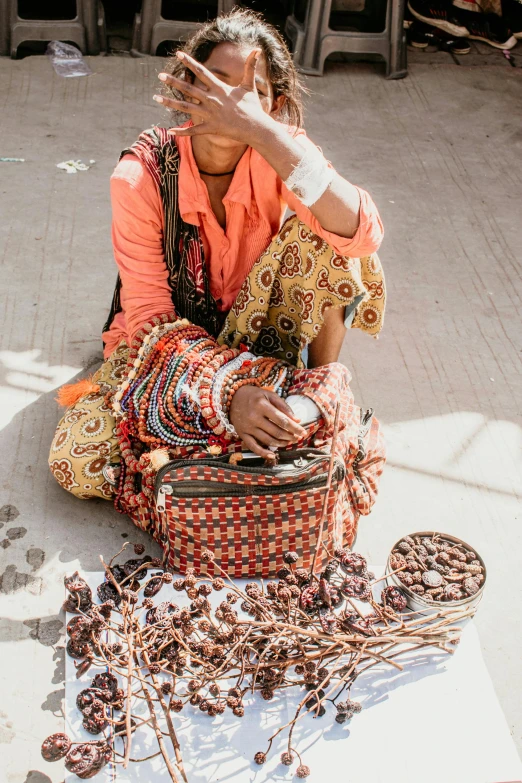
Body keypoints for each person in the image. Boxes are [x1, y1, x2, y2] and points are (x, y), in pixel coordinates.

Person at [49, 9, 385, 502]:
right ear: (187, 89)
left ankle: (313, 389)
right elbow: (149, 319)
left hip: (258, 334)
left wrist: (264, 132)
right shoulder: (141, 177)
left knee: (331, 236)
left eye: (253, 95)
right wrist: (228, 392)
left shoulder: (282, 151)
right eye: (218, 85)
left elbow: (363, 235)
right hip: (167, 353)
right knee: (77, 459)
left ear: (276, 106)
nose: (233, 105)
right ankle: (246, 434)